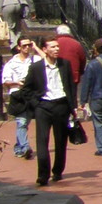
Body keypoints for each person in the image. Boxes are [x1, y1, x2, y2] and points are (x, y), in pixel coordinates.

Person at [21, 37, 75, 186]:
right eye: (52, 47)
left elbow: (71, 85)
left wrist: (73, 106)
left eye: (57, 47)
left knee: (60, 141)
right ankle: (43, 175)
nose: (56, 49)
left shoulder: (65, 64)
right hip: (43, 106)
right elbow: (26, 90)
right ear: (44, 50)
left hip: (61, 105)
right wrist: (36, 103)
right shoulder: (36, 67)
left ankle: (57, 171)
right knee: (42, 141)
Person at [1, 36, 36, 160]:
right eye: (24, 46)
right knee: (21, 122)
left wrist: (36, 47)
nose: (27, 48)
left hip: (31, 95)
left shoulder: (34, 60)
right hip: (18, 94)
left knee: (25, 123)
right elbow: (5, 81)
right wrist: (17, 82)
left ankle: (19, 147)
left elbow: (45, 59)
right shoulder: (11, 63)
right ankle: (25, 147)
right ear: (18, 47)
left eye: (29, 45)